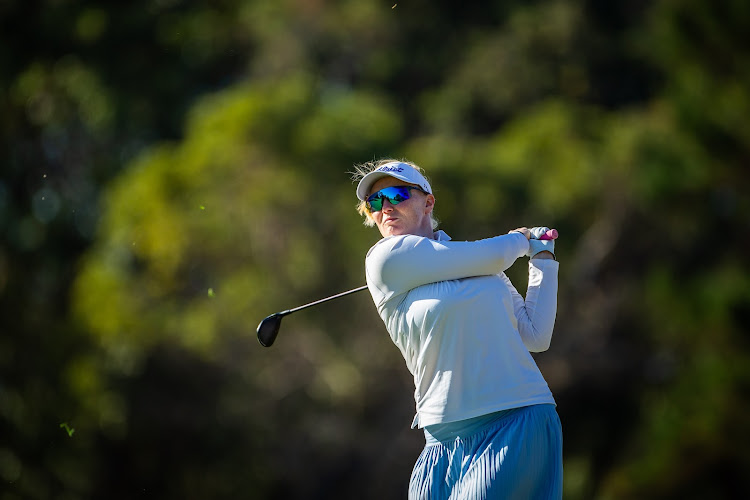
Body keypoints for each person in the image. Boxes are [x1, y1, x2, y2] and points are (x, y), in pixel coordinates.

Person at [352, 159, 563, 499]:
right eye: (375, 202)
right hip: (440, 440)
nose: (386, 207)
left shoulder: (480, 263)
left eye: (397, 194)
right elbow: (497, 254)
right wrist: (522, 238)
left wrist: (543, 261)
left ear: (428, 202)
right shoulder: (384, 259)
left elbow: (535, 335)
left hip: (516, 418)